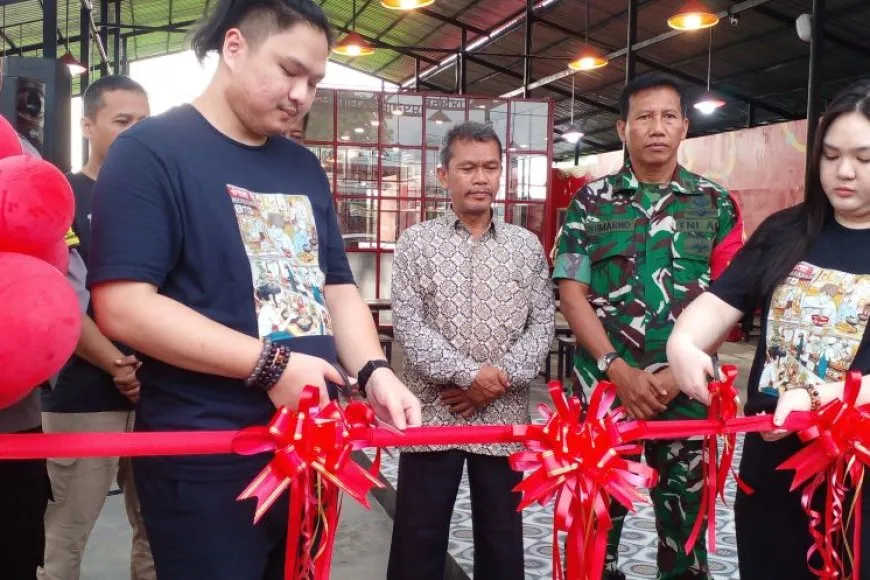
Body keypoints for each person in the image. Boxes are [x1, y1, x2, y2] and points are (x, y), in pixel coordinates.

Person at [86, 1, 421, 578]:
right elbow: (123, 306)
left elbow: (336, 287)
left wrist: (374, 371)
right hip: (208, 454)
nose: (302, 95)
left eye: (314, 81)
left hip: (311, 449)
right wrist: (271, 367)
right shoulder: (150, 152)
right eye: (290, 71)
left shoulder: (302, 167)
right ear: (234, 48)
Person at [668, 79, 870, 580]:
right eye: (829, 155)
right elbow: (720, 301)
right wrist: (684, 341)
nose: (843, 172)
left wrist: (824, 399)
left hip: (858, 478)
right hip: (772, 463)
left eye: (864, 159)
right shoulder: (786, 230)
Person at [552, 73, 744, 580]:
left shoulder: (715, 203)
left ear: (684, 126)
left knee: (686, 544)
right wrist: (619, 371)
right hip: (604, 399)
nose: (656, 127)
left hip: (688, 395)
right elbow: (572, 295)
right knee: (593, 539)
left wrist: (676, 373)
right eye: (644, 117)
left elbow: (731, 298)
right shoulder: (590, 204)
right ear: (622, 128)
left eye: (668, 116)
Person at [388, 121, 555, 580]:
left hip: (503, 416)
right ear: (444, 175)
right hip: (433, 412)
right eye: (467, 168)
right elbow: (409, 326)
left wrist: (494, 383)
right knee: (418, 536)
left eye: (490, 167)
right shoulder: (416, 243)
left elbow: (542, 326)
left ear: (501, 173)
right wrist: (468, 377)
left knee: (502, 538)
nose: (480, 178)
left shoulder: (526, 247)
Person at [39, 75, 154, 580]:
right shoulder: (58, 195)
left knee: (156, 532)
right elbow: (57, 297)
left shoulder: (157, 198)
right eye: (121, 121)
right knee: (63, 535)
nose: (134, 133)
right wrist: (115, 363)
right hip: (82, 397)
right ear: (88, 125)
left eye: (143, 123)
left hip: (157, 393)